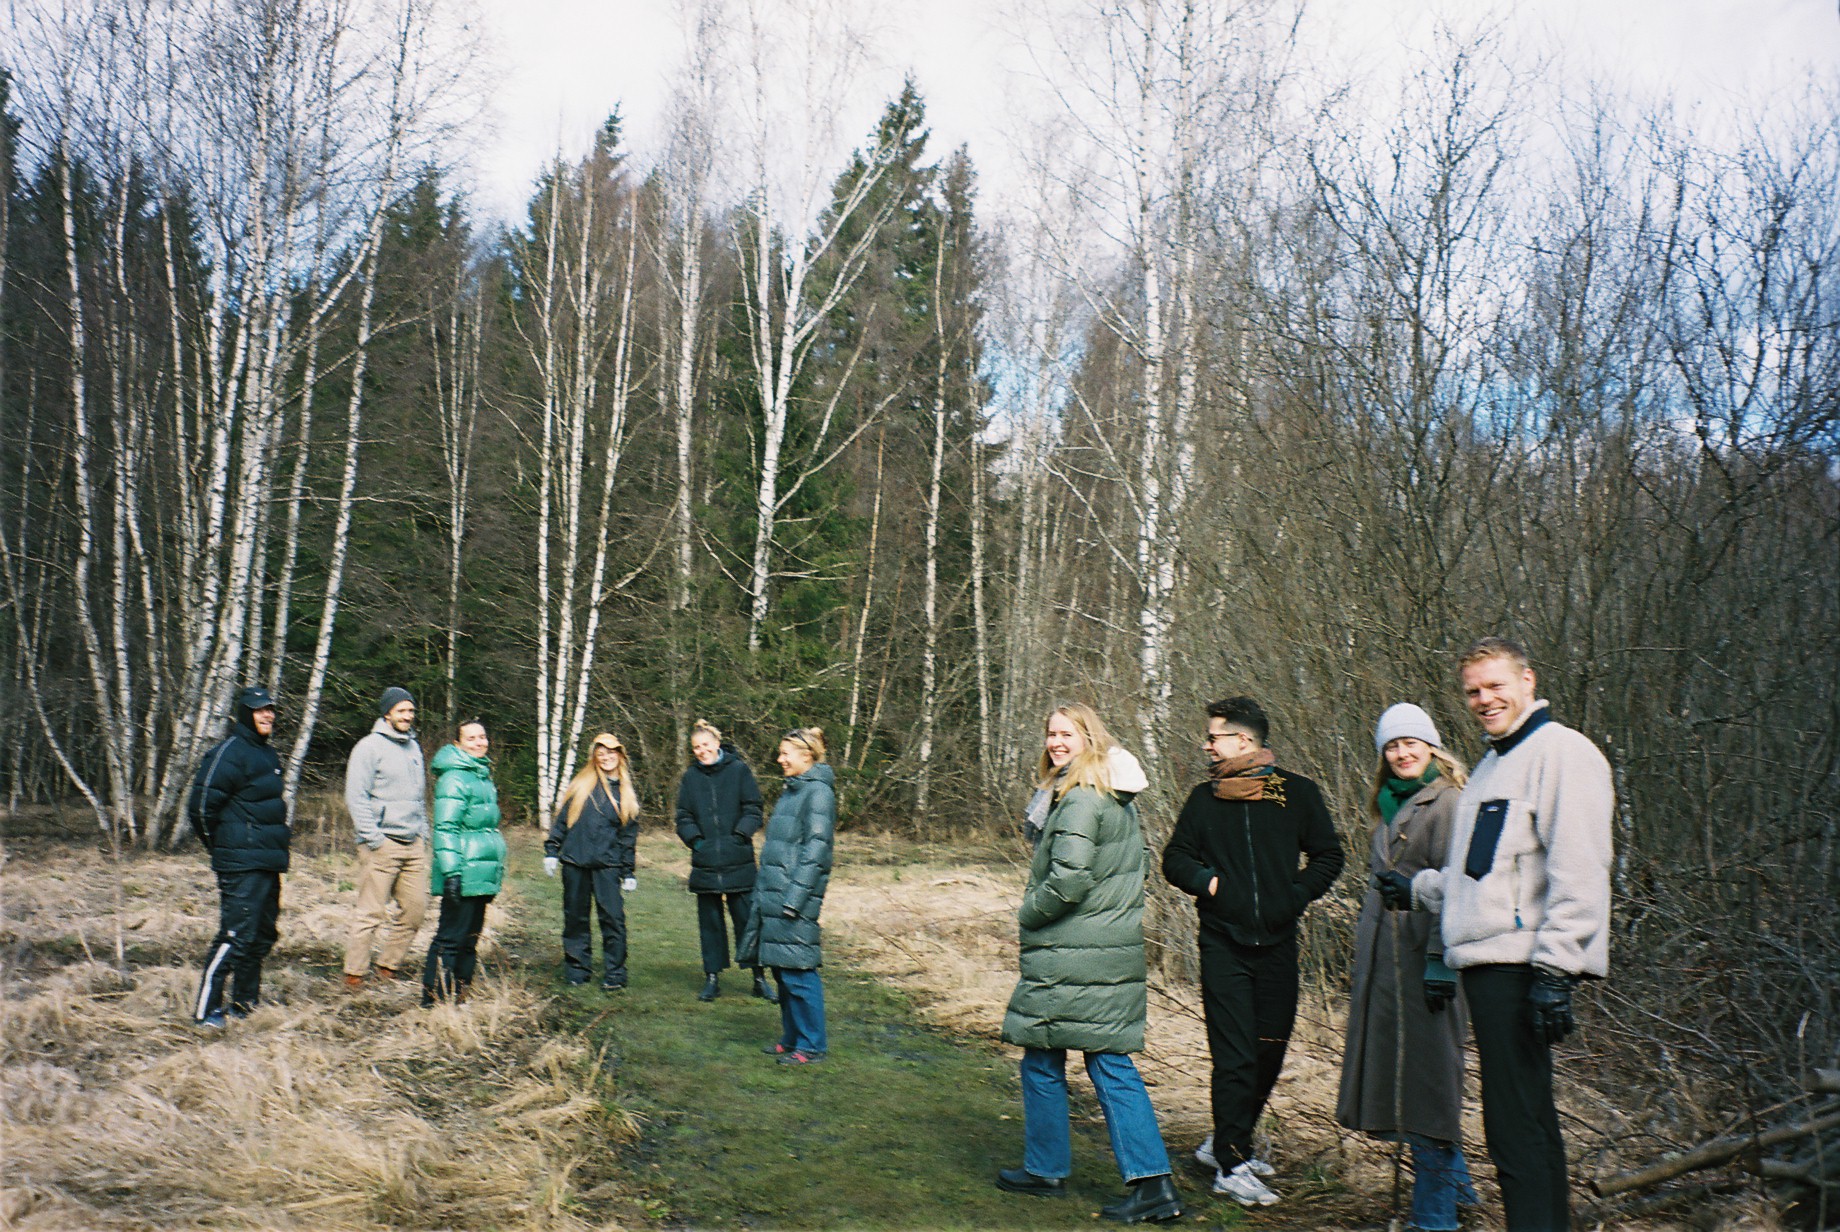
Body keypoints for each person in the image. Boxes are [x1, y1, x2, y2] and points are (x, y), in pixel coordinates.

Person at [1379, 638, 1613, 1231]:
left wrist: (1557, 969)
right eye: (1473, 692)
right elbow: (1478, 875)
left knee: (1517, 1127)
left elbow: (1580, 868)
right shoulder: (1492, 765)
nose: (1484, 700)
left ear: (1528, 681)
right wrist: (1421, 889)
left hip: (1523, 968)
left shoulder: (1562, 753)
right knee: (1520, 1121)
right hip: (1486, 966)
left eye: (1495, 686)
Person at [997, 703, 1184, 1225]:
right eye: (1051, 733)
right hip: (1091, 951)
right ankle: (1046, 1167)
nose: (1056, 742)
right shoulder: (1105, 792)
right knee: (1044, 1056)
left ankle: (1152, 1185)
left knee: (1107, 1063)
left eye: (1067, 733)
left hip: (1076, 953)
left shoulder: (1081, 797)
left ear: (1089, 738)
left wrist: (1028, 913)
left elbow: (1070, 880)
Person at [1161, 696, 1344, 1208]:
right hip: (1223, 944)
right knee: (1235, 1055)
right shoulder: (1204, 798)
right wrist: (1210, 883)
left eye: (1214, 736)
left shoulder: (1293, 792)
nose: (1206, 744)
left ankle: (1226, 1137)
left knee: (1269, 1049)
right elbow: (1174, 858)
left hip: (1280, 943)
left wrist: (1297, 894)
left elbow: (1329, 854)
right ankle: (1232, 1164)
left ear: (1244, 741)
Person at [1336, 703, 1480, 1231]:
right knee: (1412, 1084)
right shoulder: (1388, 803)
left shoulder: (1451, 804)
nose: (1401, 753)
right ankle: (1461, 1195)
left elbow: (1461, 891)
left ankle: (1435, 1220)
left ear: (1432, 747)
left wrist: (1442, 964)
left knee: (1430, 1096)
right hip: (1388, 969)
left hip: (1427, 966)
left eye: (1411, 743)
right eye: (1392, 746)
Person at [188, 685, 289, 1027]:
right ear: (245, 714)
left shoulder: (269, 755)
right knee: (235, 936)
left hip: (266, 862)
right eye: (260, 710)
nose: (268, 715)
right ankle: (205, 1012)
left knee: (261, 935)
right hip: (240, 863)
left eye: (271, 710)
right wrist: (221, 847)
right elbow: (201, 807)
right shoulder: (229, 753)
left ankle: (244, 1006)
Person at [741, 726, 835, 1065]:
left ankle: (813, 1046)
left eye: (785, 754)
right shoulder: (794, 789)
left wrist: (795, 899)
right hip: (776, 893)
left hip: (793, 898)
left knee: (800, 972)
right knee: (782, 970)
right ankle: (793, 1037)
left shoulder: (818, 793)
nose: (779, 759)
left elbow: (817, 851)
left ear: (806, 756)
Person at [674, 720, 775, 1003]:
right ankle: (712, 978)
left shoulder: (739, 770)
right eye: (696, 747)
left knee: (748, 922)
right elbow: (683, 816)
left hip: (738, 860)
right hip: (705, 863)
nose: (701, 751)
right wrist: (696, 841)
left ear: (717, 744)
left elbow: (753, 808)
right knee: (710, 924)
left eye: (705, 745)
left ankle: (759, 978)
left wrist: (740, 836)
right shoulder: (690, 778)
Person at [343, 686, 430, 987]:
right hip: (382, 844)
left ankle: (387, 967)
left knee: (416, 910)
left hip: (413, 843)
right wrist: (374, 839)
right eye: (402, 710)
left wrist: (423, 834)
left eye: (411, 711)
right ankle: (354, 975)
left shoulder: (414, 747)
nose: (408, 716)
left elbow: (419, 798)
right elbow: (356, 797)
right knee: (370, 913)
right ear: (387, 713)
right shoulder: (368, 747)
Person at [545, 732, 640, 991]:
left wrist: (628, 871)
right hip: (575, 862)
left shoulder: (626, 795)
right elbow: (563, 820)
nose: (607, 757)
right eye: (602, 753)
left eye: (612, 752)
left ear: (620, 755)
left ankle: (615, 974)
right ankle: (577, 970)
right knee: (575, 918)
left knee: (613, 920)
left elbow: (627, 838)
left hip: (608, 866)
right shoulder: (581, 784)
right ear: (595, 757)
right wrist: (552, 851)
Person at [422, 719, 506, 1007]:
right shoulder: (455, 778)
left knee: (470, 939)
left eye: (482, 737)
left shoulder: (481, 775)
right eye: (471, 739)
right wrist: (452, 872)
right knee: (450, 938)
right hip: (462, 871)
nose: (479, 743)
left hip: (480, 872)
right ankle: (433, 1002)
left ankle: (459, 996)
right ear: (458, 745)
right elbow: (445, 828)